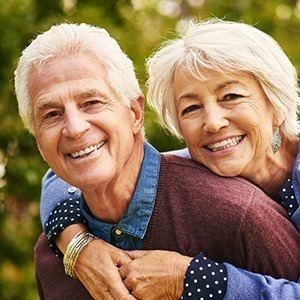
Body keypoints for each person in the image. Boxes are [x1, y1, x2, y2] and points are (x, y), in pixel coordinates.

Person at [15, 22, 300, 299]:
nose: (213, 123)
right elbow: (68, 173)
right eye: (191, 108)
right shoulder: (195, 163)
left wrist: (193, 278)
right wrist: (77, 242)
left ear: (276, 103)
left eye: (231, 96)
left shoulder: (242, 213)